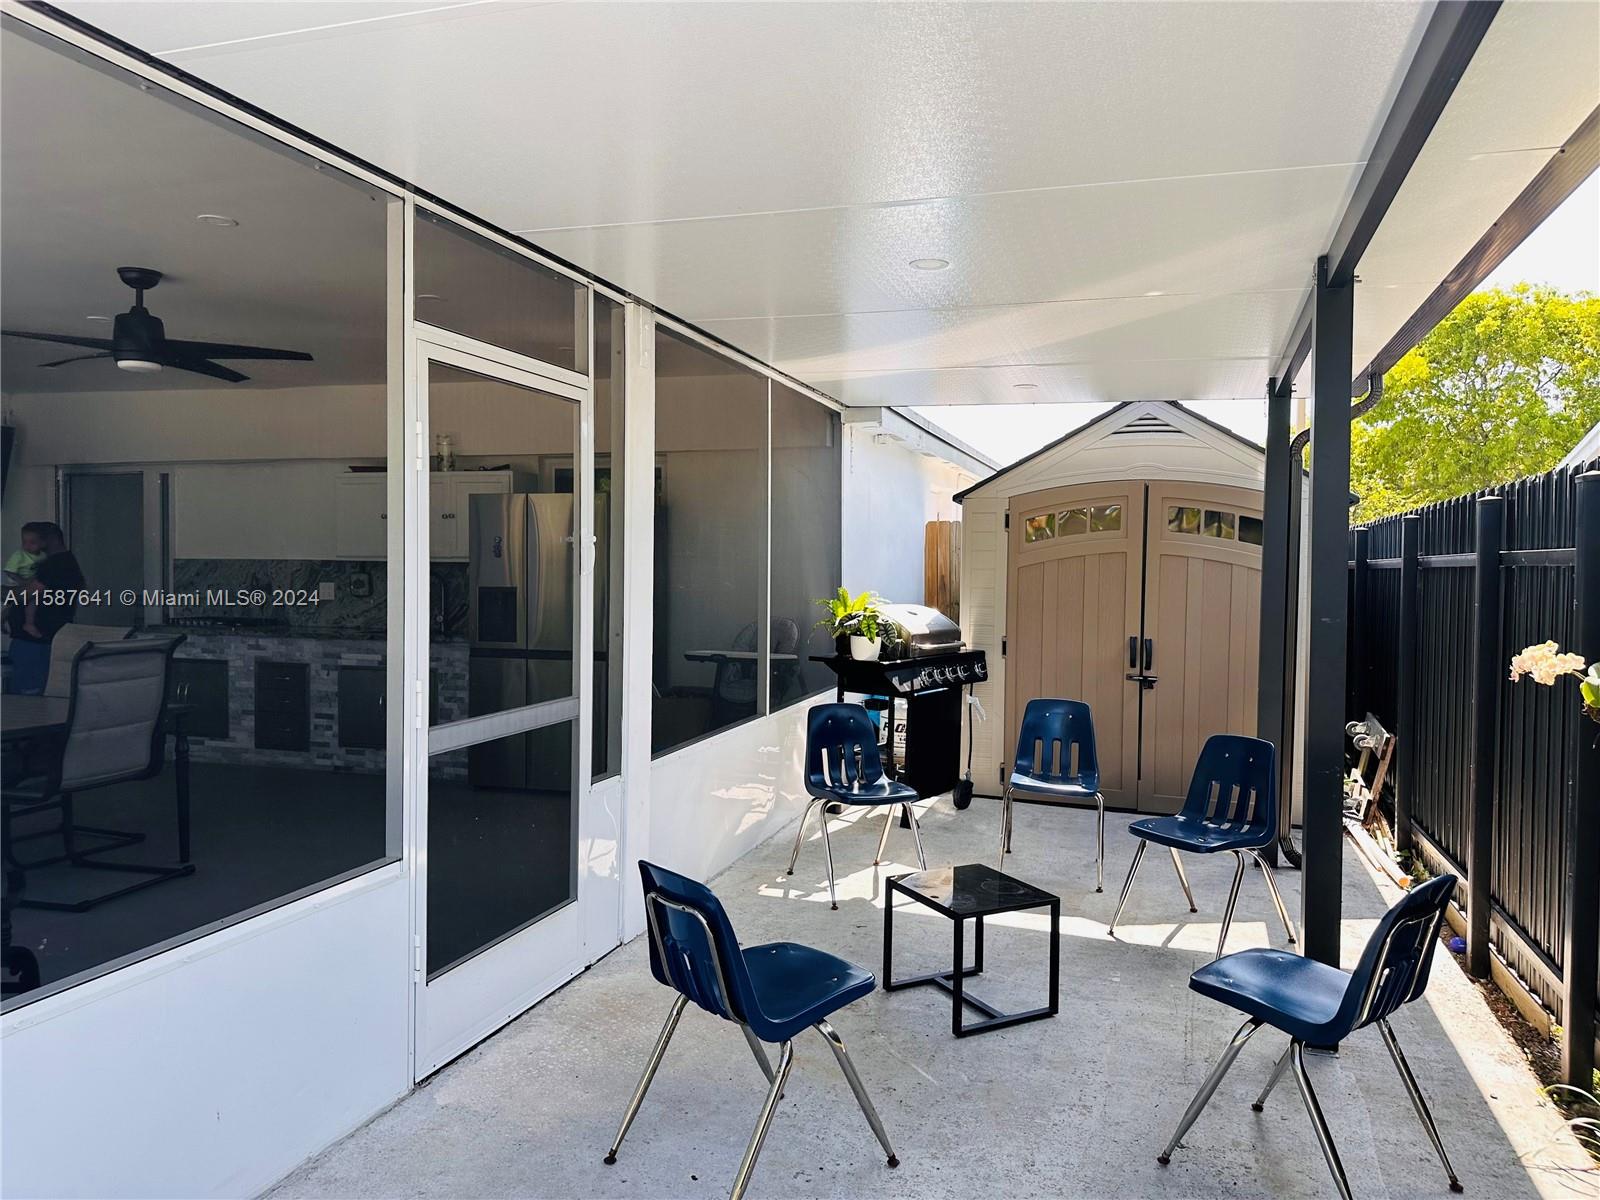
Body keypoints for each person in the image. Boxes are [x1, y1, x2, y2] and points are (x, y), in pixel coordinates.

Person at [5, 523, 84, 695]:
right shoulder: (60, 563)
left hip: (36, 643)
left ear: (48, 540)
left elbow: (28, 593)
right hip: (38, 642)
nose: (29, 546)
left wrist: (6, 593)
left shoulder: (56, 565)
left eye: (34, 541)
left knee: (27, 700)